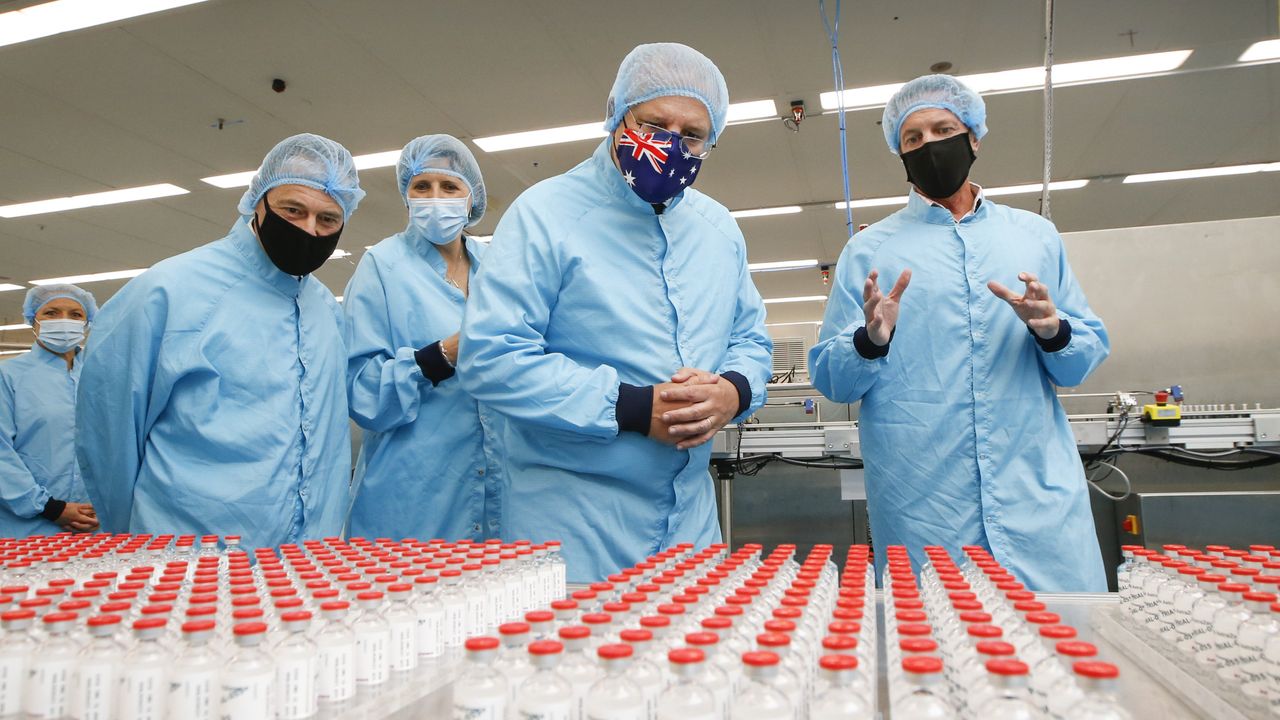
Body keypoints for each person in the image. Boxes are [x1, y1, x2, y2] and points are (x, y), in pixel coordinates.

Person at [460, 43, 773, 583]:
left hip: (690, 525)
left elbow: (750, 338)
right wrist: (630, 407)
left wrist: (734, 391)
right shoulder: (545, 215)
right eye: (654, 123)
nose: (670, 145)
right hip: (572, 524)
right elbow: (491, 357)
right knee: (576, 665)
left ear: (711, 140)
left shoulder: (719, 230)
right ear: (617, 116)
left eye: (692, 134)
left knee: (695, 665)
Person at [808, 74, 1109, 592]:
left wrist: (1052, 330)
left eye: (942, 129)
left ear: (973, 139)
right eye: (913, 138)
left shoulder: (1033, 236)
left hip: (1036, 498)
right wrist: (869, 341)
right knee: (937, 652)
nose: (929, 145)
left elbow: (1081, 359)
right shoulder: (868, 252)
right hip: (926, 507)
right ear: (900, 154)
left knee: (1065, 651)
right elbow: (834, 382)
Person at [76, 133, 364, 548]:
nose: (308, 230)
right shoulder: (169, 292)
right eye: (292, 209)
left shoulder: (325, 309)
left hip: (307, 567)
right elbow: (108, 437)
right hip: (188, 566)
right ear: (258, 202)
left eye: (328, 220)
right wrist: (134, 542)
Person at [342, 134, 502, 541]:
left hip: (493, 485)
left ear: (472, 199)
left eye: (449, 187)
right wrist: (441, 356)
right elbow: (361, 391)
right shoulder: (383, 266)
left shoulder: (497, 267)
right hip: (410, 492)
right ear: (406, 195)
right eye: (421, 187)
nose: (435, 198)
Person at [0, 285, 100, 536]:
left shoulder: (101, 376)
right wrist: (51, 508)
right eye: (51, 313)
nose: (63, 321)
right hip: (29, 526)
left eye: (76, 315)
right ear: (33, 321)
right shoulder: (9, 376)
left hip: (95, 522)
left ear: (87, 323)